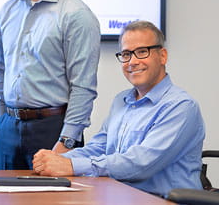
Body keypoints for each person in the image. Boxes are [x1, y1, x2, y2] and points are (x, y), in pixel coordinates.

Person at [32, 21, 205, 198]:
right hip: (122, 196)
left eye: (142, 52)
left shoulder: (181, 107)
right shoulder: (121, 101)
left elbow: (141, 164)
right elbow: (98, 148)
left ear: (163, 56)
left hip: (163, 201)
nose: (133, 61)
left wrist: (71, 166)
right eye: (126, 54)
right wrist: (57, 159)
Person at [0, 0, 100, 170]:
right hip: (9, 127)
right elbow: (1, 67)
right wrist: (1, 119)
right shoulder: (8, 10)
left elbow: (83, 86)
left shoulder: (76, 14)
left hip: (53, 129)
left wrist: (67, 141)